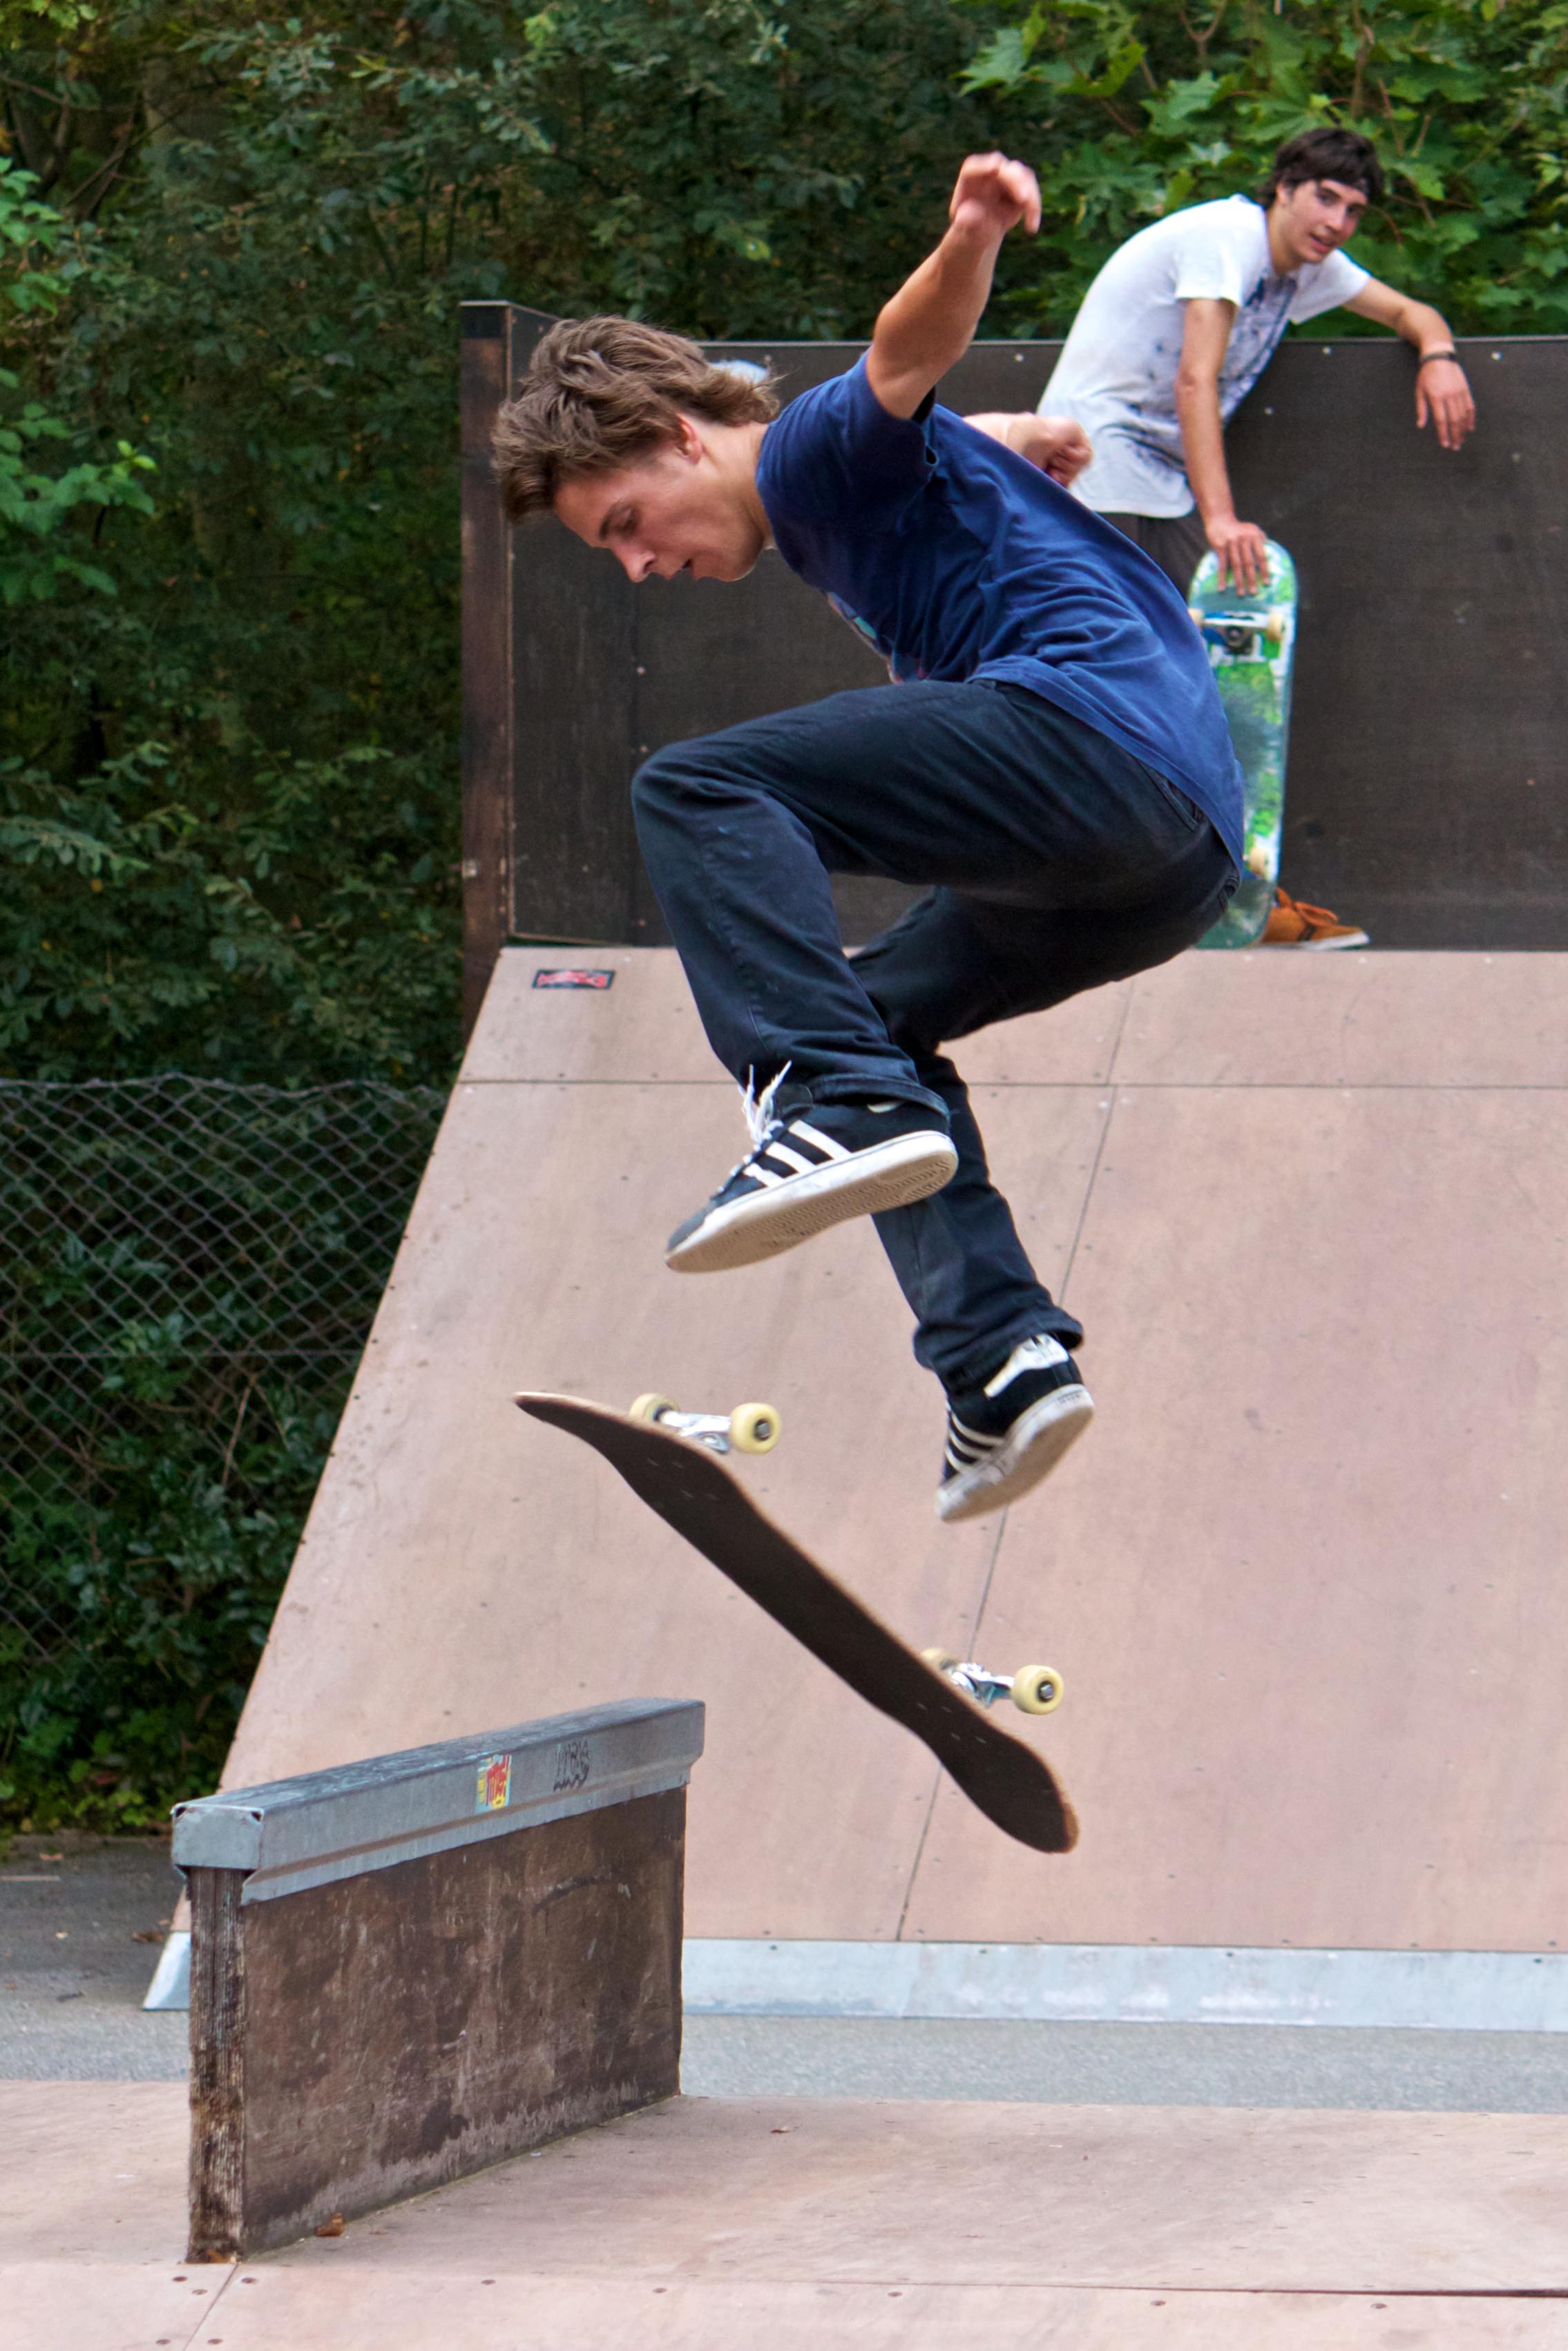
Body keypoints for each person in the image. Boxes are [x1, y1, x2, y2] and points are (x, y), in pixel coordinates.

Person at [492, 154, 1242, 1523]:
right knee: (879, 1015)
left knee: (698, 790)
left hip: (1093, 752)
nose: (642, 566)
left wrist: (970, 234)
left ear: (678, 437)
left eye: (627, 526)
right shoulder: (845, 500)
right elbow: (939, 435)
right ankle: (1002, 1360)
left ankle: (825, 1098)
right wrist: (1010, 439)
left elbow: (905, 353)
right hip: (1169, 865)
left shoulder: (807, 454)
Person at [1035, 126, 1478, 949]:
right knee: (1123, 685)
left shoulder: (1309, 268)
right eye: (1323, 199)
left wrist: (1437, 352)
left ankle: (1227, 892)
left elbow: (1406, 310)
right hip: (1091, 467)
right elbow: (1193, 378)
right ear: (1282, 189)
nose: (1336, 222)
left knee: (1218, 682)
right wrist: (1219, 519)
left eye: (1353, 210)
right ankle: (1093, 895)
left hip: (1158, 482)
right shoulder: (1225, 237)